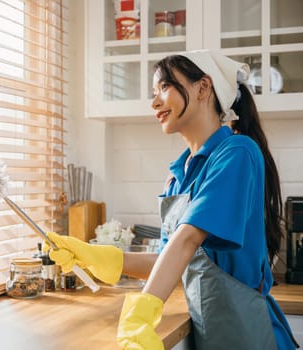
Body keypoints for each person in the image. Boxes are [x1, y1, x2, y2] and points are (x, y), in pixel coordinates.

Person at [46, 50, 299, 349]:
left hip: (247, 333)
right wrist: (99, 257)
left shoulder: (236, 153)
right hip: (209, 333)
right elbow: (170, 258)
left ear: (203, 87)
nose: (154, 102)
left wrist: (141, 314)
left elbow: (188, 240)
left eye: (164, 87)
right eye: (154, 92)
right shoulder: (178, 175)